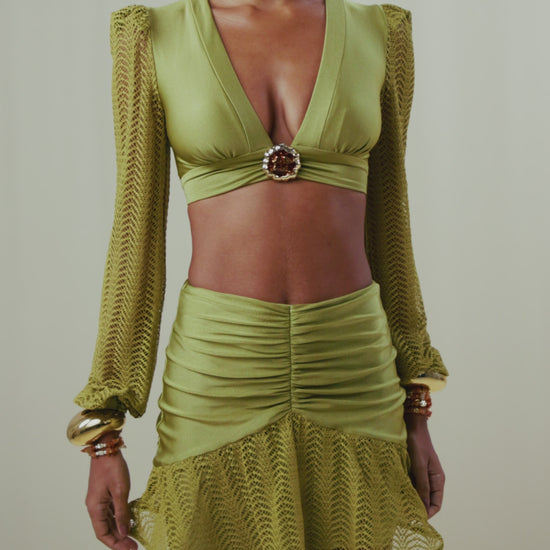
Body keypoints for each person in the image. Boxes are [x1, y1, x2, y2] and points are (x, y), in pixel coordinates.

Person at [67, 0, 449, 548]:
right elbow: (136, 228)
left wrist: (416, 402)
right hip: (219, 363)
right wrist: (103, 427)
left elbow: (390, 222)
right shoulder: (154, 35)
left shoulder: (379, 32)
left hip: (352, 363)